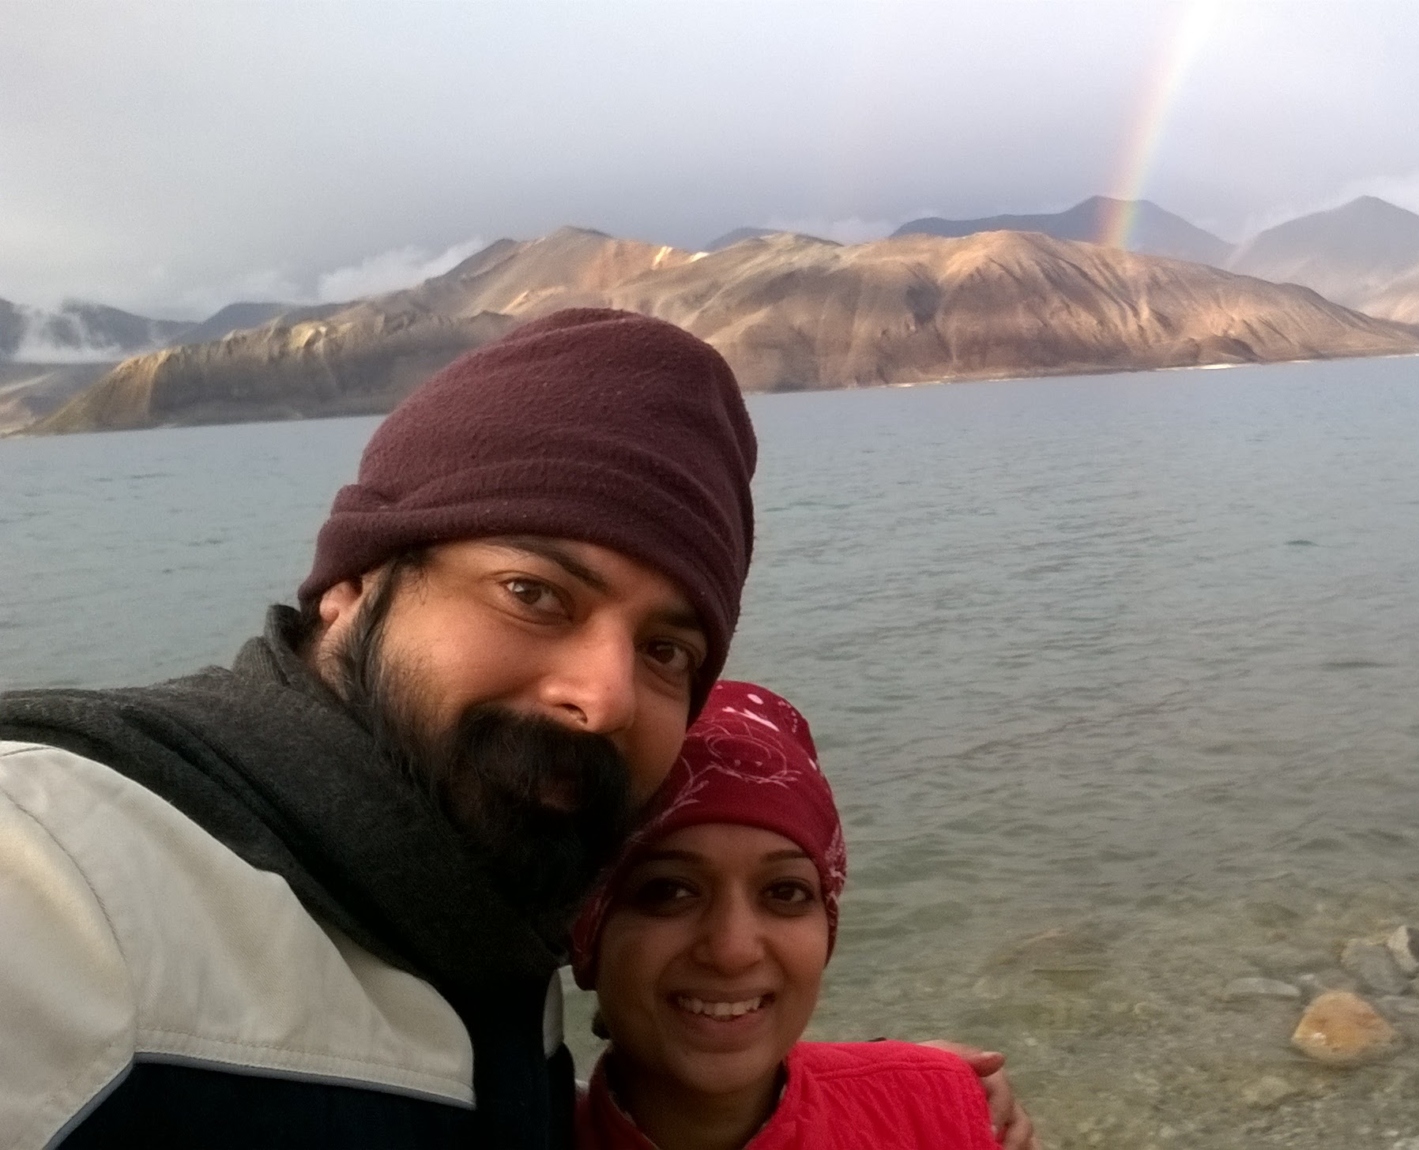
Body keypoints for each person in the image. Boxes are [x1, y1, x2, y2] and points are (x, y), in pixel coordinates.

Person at [0, 309, 1025, 1149]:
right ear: (353, 587)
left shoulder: (476, 918)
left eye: (666, 649)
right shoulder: (66, 887)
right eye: (533, 593)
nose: (604, 697)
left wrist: (878, 1097)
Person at [570, 680, 1030, 1150]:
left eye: (785, 892)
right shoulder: (528, 1129)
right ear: (587, 927)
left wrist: (915, 1084)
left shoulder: (935, 1116)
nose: (732, 951)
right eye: (669, 891)